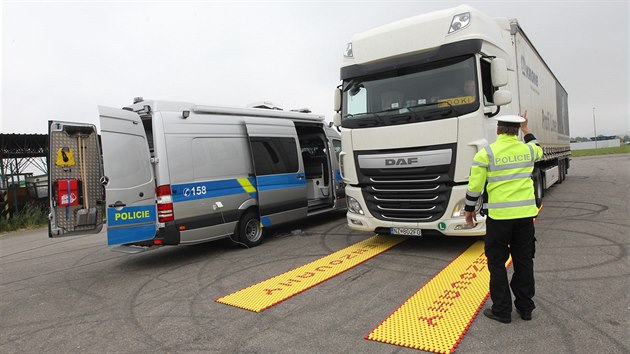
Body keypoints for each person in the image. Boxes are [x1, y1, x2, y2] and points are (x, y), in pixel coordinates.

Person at [464, 111, 543, 324]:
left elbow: (475, 187)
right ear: (517, 130)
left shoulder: (486, 154)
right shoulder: (528, 150)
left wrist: (469, 210)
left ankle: (502, 310)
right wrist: (527, 129)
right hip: (525, 217)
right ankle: (526, 308)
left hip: (499, 219)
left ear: (498, 130)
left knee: (497, 264)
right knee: (524, 260)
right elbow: (539, 148)